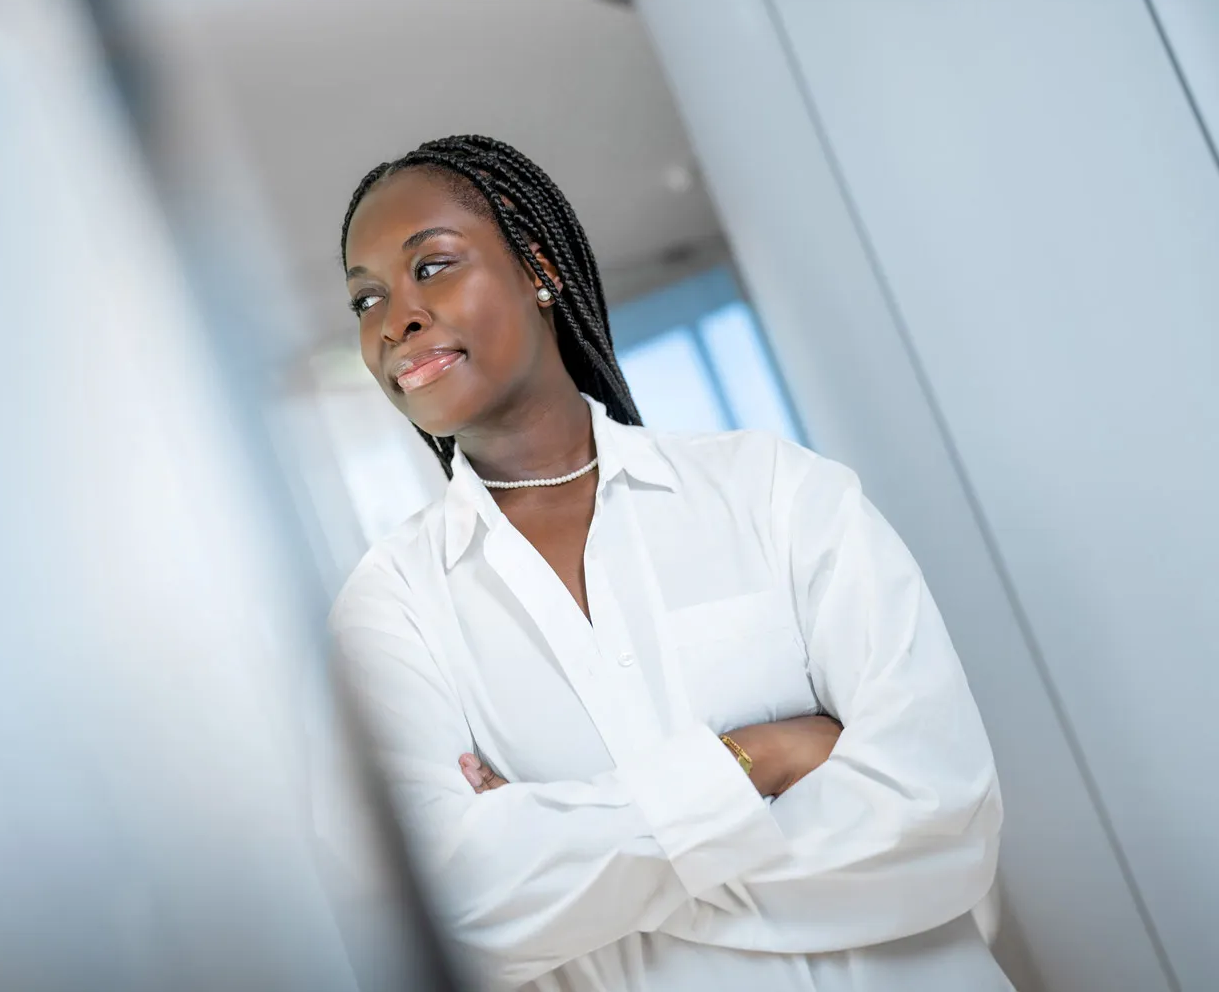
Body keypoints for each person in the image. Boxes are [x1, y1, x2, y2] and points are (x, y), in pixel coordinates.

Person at [329, 134, 1010, 991]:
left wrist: (575, 880)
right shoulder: (389, 607)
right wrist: (757, 761)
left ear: (539, 268)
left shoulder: (772, 489)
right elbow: (446, 916)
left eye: (431, 266)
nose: (395, 320)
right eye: (364, 300)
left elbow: (938, 808)